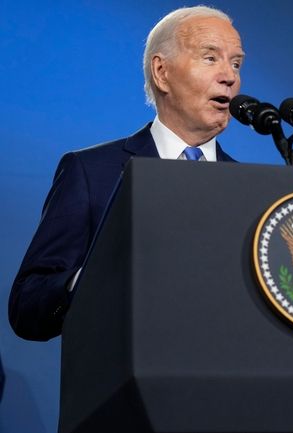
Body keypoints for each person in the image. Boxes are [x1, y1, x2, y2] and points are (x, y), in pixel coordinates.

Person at [9, 6, 245, 341]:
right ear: (161, 72)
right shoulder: (92, 173)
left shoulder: (247, 186)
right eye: (210, 58)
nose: (229, 76)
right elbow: (27, 306)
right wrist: (91, 280)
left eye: (236, 62)